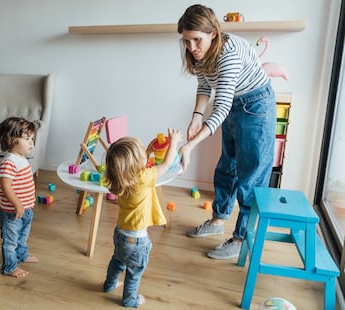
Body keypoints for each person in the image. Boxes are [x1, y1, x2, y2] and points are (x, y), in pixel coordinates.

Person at [178, 5, 276, 260]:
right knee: (227, 167)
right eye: (186, 41)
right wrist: (196, 118)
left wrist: (189, 146)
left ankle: (242, 238)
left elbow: (221, 107)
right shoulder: (198, 52)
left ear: (213, 33)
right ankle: (218, 219)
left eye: (197, 40)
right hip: (234, 105)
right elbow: (203, 85)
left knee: (250, 177)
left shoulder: (228, 53)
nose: (191, 47)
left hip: (255, 106)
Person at [103, 129, 182, 308]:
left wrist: (148, 150)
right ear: (135, 164)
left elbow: (137, 164)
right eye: (141, 155)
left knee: (118, 260)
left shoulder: (121, 178)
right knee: (134, 271)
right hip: (137, 241)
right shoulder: (143, 177)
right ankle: (130, 300)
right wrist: (175, 142)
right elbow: (167, 164)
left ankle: (109, 284)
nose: (144, 158)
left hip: (120, 234)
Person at [0, 117, 40, 278]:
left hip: (25, 210)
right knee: (11, 241)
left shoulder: (21, 158)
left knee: (22, 237)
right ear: (11, 140)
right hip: (12, 212)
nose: (31, 143)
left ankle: (21, 256)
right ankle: (10, 267)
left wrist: (25, 206)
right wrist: (18, 205)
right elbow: (5, 186)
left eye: (32, 139)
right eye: (27, 138)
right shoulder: (9, 162)